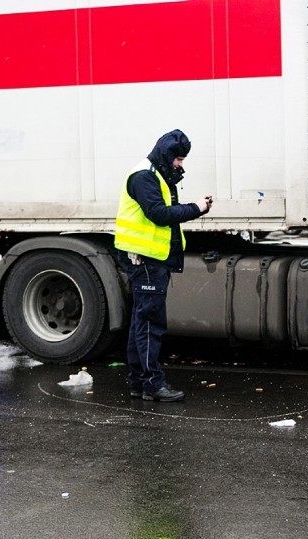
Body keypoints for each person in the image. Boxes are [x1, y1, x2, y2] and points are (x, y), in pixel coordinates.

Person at [114, 129, 212, 402]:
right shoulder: (144, 176)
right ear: (167, 155)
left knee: (141, 322)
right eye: (178, 159)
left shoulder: (156, 173)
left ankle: (138, 383)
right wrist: (196, 208)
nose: (181, 164)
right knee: (149, 324)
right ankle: (152, 385)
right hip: (145, 259)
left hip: (150, 257)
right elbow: (158, 214)